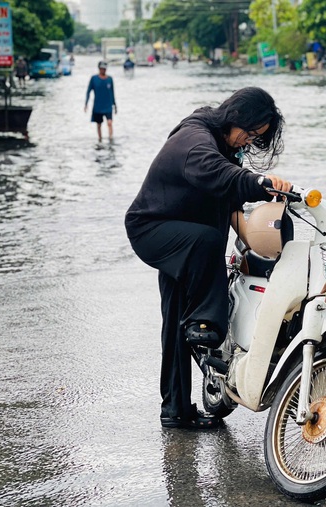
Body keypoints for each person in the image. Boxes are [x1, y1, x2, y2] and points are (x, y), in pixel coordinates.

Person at [124, 87, 291, 429]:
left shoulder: (225, 151)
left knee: (173, 320)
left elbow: (229, 202)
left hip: (182, 239)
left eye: (256, 138)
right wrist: (259, 182)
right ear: (236, 117)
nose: (248, 141)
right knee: (207, 242)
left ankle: (175, 410)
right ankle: (205, 323)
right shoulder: (195, 137)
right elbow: (218, 173)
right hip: (152, 229)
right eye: (249, 132)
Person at [84, 61, 117, 141]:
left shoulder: (109, 79)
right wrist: (86, 104)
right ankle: (100, 139)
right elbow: (88, 91)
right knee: (99, 124)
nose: (103, 70)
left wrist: (115, 105)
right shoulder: (94, 79)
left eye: (104, 69)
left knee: (109, 123)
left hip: (108, 105)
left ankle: (110, 138)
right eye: (102, 69)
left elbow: (112, 93)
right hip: (98, 106)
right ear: (99, 69)